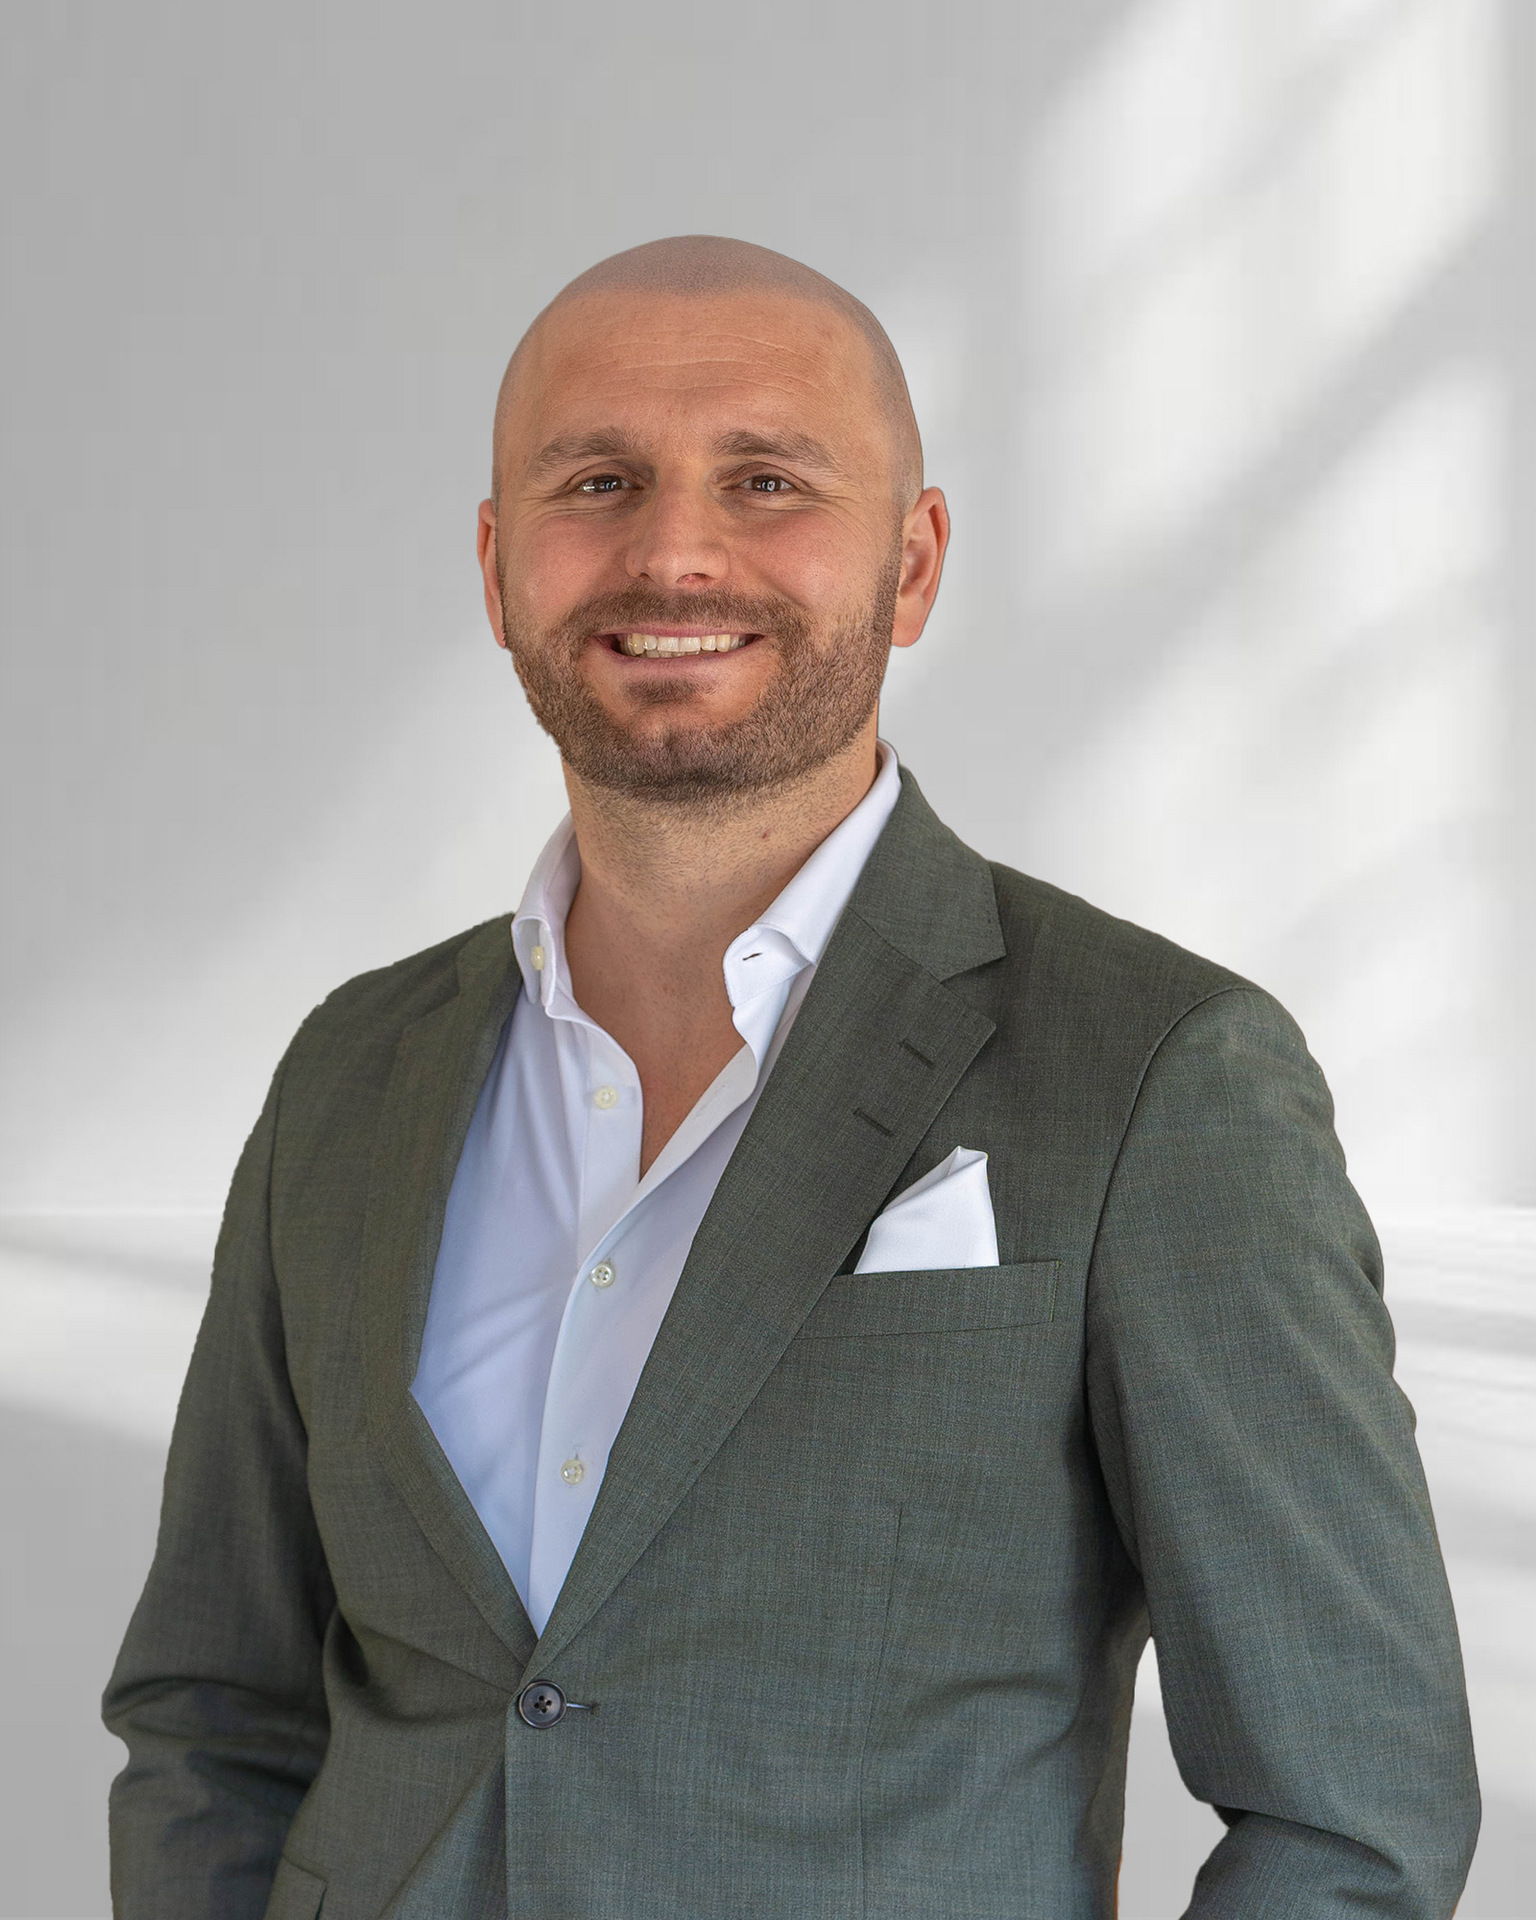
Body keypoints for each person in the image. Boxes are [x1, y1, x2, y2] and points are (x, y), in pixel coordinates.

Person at [104, 235, 1479, 1920]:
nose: (674, 551)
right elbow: (217, 1717)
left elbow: (1353, 1818)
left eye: (767, 481)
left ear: (914, 565)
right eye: (596, 482)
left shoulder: (1156, 1074)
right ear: (497, 568)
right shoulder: (352, 1073)